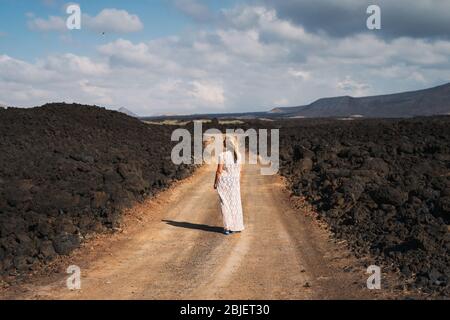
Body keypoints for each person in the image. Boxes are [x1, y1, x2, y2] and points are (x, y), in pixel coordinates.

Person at [214, 135, 245, 235]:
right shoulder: (239, 155)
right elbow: (240, 171)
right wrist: (238, 182)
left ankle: (227, 227)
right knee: (235, 204)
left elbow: (219, 171)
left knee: (225, 204)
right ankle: (237, 226)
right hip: (235, 182)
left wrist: (215, 183)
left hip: (224, 182)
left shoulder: (222, 155)